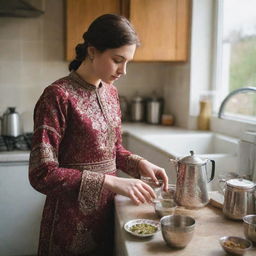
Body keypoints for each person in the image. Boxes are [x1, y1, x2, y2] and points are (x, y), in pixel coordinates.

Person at [29, 13, 168, 256]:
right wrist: (109, 181)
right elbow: (42, 174)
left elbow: (114, 151)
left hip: (106, 215)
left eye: (128, 62)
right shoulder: (57, 96)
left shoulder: (111, 94)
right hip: (68, 224)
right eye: (117, 60)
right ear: (92, 52)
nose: (124, 71)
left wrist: (140, 164)